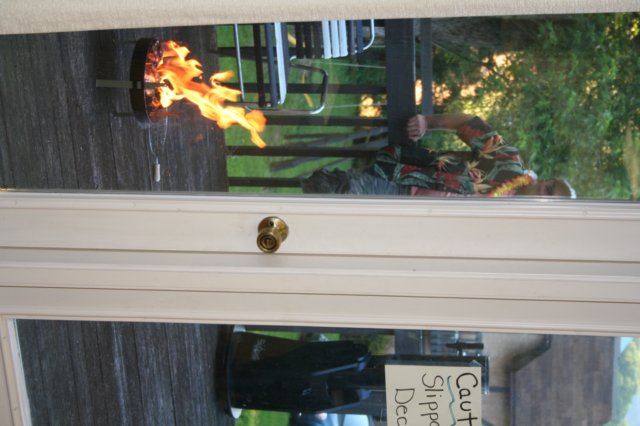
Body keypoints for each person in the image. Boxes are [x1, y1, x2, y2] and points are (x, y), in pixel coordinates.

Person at [301, 113, 576, 198]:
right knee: (334, 190)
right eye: (549, 188)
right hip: (404, 184)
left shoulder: (516, 228)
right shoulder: (509, 162)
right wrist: (427, 123)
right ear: (545, 180)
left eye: (550, 198)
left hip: (413, 231)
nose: (544, 193)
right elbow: (469, 123)